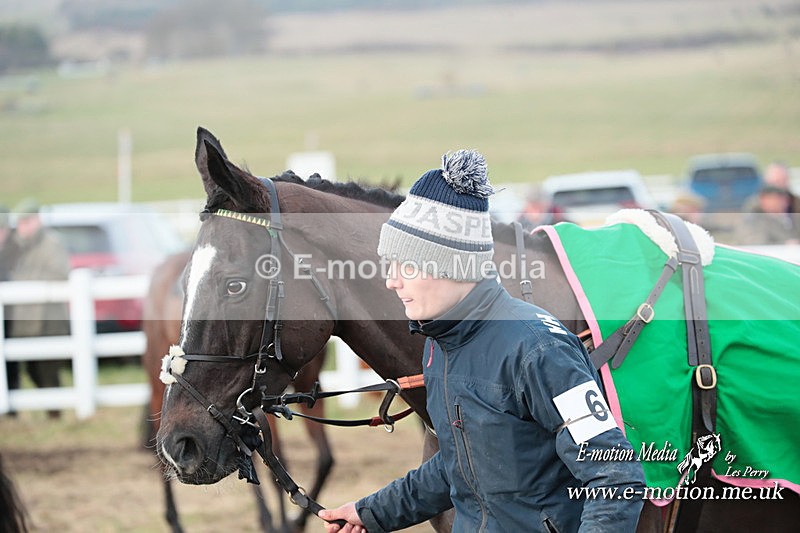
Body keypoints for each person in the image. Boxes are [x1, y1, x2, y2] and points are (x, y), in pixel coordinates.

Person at [320, 151, 646, 532]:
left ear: (453, 264)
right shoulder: (439, 346)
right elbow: (458, 465)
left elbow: (616, 476)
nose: (392, 281)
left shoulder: (541, 350)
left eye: (406, 265)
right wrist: (371, 512)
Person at [6, 199, 71, 419]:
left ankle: (55, 413)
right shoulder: (17, 246)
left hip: (48, 320)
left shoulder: (51, 244)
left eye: (26, 221)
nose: (22, 227)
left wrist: (26, 283)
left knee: (48, 369)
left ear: (36, 220)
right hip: (25, 320)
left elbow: (61, 273)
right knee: (31, 369)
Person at [735, 184, 800, 245]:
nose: (779, 203)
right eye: (773, 199)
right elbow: (755, 242)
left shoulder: (793, 218)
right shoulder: (754, 220)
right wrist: (785, 244)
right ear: (763, 200)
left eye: (782, 199)